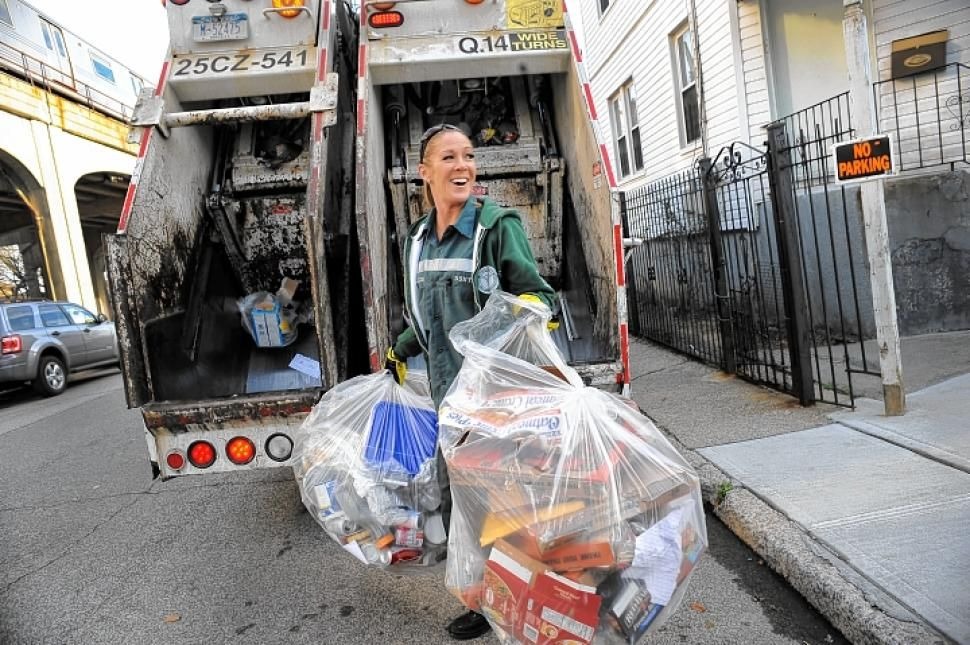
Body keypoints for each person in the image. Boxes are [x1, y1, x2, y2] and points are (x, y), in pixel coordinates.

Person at [385, 123, 556, 640]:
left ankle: (527, 602)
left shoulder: (496, 227)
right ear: (424, 172)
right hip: (450, 403)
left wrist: (529, 310)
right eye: (449, 158)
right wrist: (401, 348)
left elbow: (538, 295)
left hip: (495, 401)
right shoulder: (416, 240)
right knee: (465, 503)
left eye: (468, 156)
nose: (463, 166)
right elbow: (428, 316)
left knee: (505, 506)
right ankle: (487, 601)